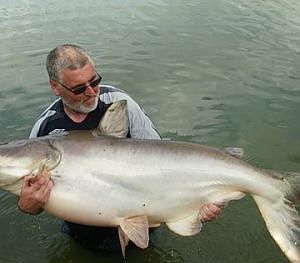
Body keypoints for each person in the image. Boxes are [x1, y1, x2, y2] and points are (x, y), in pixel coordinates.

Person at [17, 44, 221, 251]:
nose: (91, 92)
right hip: (84, 234)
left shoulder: (120, 103)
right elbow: (35, 202)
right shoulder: (45, 128)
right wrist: (28, 206)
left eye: (94, 82)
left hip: (142, 223)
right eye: (79, 89)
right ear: (55, 87)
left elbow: (162, 160)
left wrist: (195, 205)